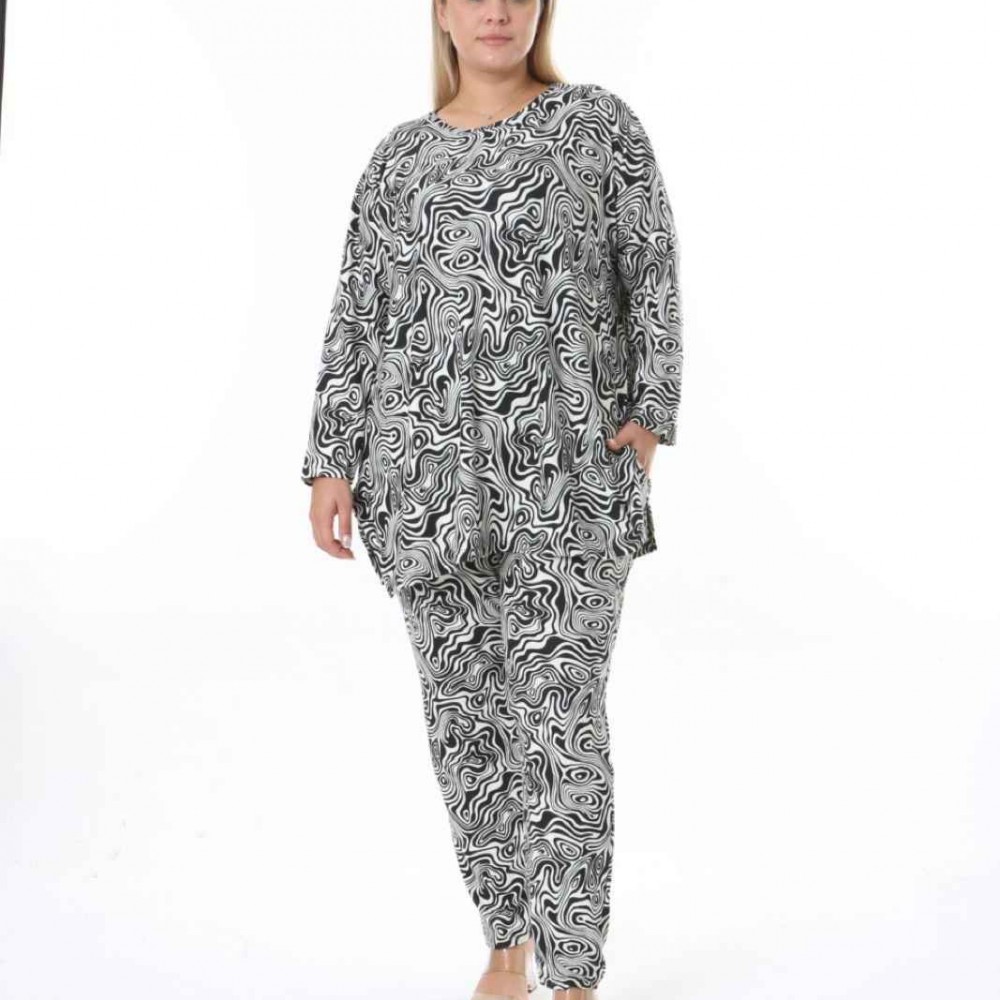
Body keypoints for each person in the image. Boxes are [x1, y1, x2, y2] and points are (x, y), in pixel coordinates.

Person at [301, 2, 682, 997]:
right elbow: (358, 313)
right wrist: (331, 458)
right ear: (440, 10)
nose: (497, 10)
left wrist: (651, 412)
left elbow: (648, 263)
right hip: (422, 486)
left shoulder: (594, 124)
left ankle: (573, 974)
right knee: (467, 729)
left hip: (568, 481)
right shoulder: (398, 161)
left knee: (559, 719)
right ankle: (505, 946)